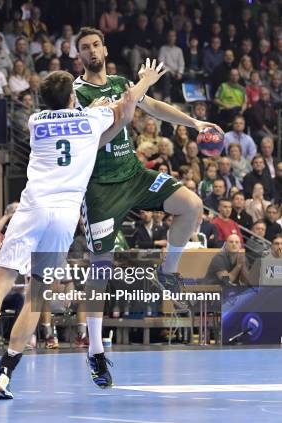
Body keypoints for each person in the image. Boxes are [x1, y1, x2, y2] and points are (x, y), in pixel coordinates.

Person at [0, 61, 164, 398]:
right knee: (37, 293)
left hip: (33, 208)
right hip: (63, 216)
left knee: (0, 283)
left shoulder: (35, 120)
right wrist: (145, 80)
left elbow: (80, 122)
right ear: (72, 95)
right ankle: (5, 371)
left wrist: (93, 108)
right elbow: (127, 104)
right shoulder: (91, 118)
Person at [71, 27, 220, 389]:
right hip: (100, 188)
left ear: (104, 48)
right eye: (84, 48)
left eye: (95, 45)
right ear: (79, 56)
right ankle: (95, 349)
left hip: (133, 174)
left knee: (191, 204)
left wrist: (195, 121)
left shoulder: (122, 81)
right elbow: (120, 113)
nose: (92, 52)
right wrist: (141, 86)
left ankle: (167, 273)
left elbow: (152, 106)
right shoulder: (77, 93)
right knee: (100, 267)